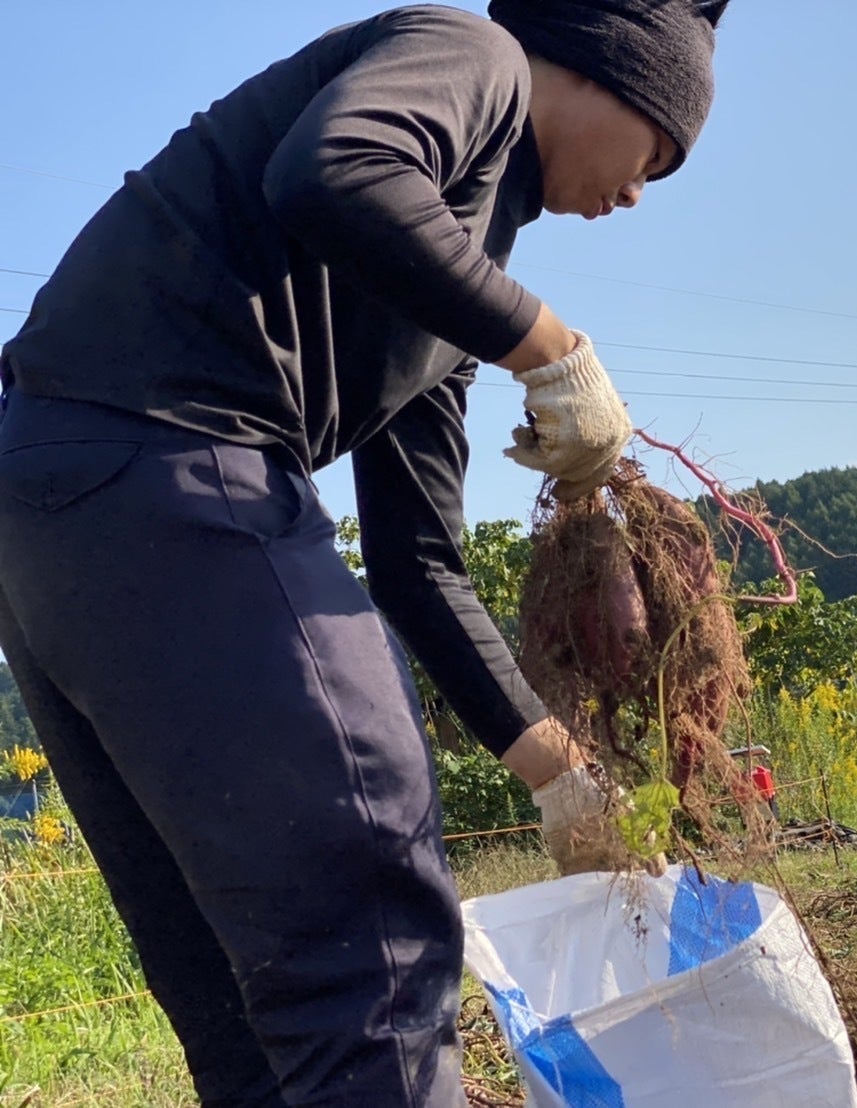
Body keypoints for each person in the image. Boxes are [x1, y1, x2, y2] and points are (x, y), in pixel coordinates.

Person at [0, 2, 727, 1105]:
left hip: (65, 515)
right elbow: (334, 168)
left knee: (239, 987)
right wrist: (550, 345)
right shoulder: (472, 55)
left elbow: (416, 561)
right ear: (598, 69)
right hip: (173, 449)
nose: (635, 195)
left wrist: (562, 776)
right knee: (367, 923)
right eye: (656, 154)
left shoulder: (453, 273)